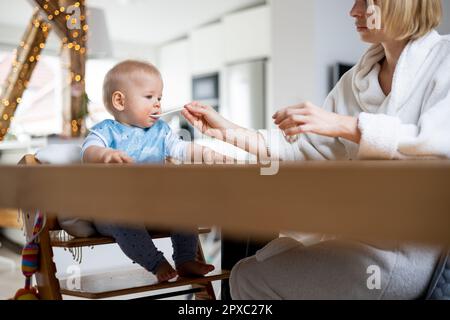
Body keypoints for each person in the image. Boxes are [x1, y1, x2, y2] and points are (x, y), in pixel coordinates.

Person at [181, 0, 450, 299]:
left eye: (364, 2)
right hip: (352, 240)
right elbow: (301, 150)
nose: (353, 11)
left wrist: (345, 125)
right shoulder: (355, 80)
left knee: (249, 278)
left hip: (404, 254)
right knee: (248, 270)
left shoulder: (444, 59)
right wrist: (224, 130)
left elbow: (437, 148)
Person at [82, 60, 222, 282]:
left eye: (159, 98)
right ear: (120, 101)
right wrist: (105, 155)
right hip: (114, 211)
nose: (157, 104)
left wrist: (206, 153)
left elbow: (181, 148)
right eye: (149, 97)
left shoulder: (161, 130)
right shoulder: (107, 131)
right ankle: (156, 263)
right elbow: (88, 150)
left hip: (153, 208)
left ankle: (185, 259)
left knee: (185, 207)